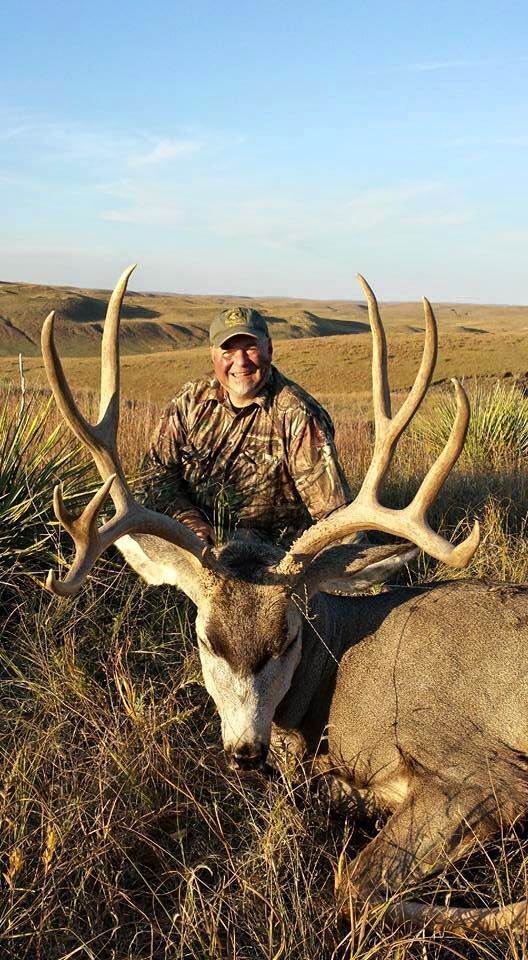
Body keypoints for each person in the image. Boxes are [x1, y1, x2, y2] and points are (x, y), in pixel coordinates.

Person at [147, 305, 351, 545]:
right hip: (194, 546)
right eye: (228, 352)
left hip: (268, 559)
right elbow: (154, 477)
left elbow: (334, 516)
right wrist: (187, 520)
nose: (240, 362)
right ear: (213, 355)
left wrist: (362, 575)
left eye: (250, 348)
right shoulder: (190, 401)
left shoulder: (298, 415)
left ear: (269, 349)